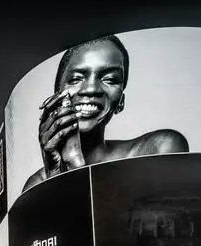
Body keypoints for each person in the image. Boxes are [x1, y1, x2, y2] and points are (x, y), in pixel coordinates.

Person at [23, 34, 189, 193]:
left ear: (121, 101)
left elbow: (164, 222)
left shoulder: (157, 149)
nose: (91, 89)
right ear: (55, 96)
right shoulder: (38, 183)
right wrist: (56, 176)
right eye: (75, 79)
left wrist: (75, 167)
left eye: (109, 79)